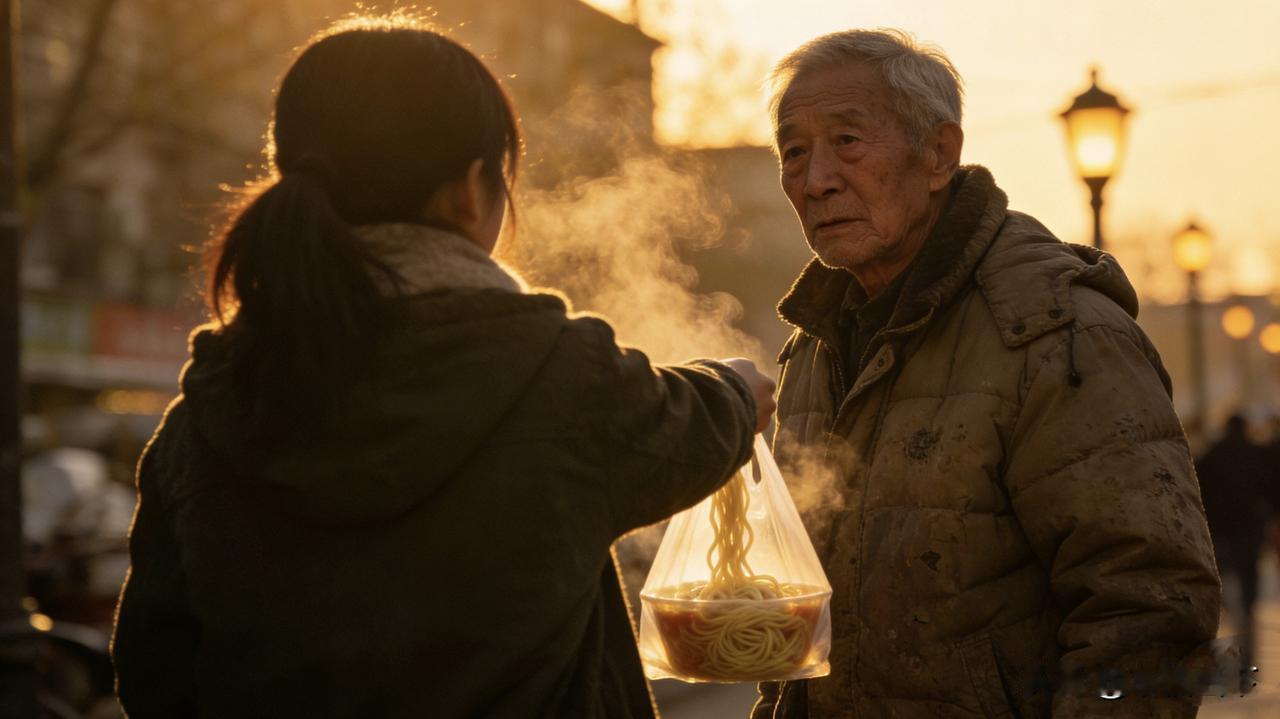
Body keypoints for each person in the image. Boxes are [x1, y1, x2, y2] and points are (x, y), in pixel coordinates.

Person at [109, 16, 777, 719]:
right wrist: (738, 389)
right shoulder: (561, 376)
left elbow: (154, 671)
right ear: (471, 187)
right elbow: (690, 422)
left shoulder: (204, 419)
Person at [753, 29, 1220, 718]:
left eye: (847, 141)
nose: (815, 178)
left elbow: (1148, 613)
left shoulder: (1057, 333)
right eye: (793, 151)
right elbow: (794, 618)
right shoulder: (813, 347)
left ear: (939, 154)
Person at [1197, 414, 1272, 685]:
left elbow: (1198, 495)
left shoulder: (1211, 456)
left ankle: (1222, 659)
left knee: (1220, 598)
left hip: (1219, 537)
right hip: (1248, 538)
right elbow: (1271, 493)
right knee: (1248, 602)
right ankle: (1246, 664)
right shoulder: (1257, 456)